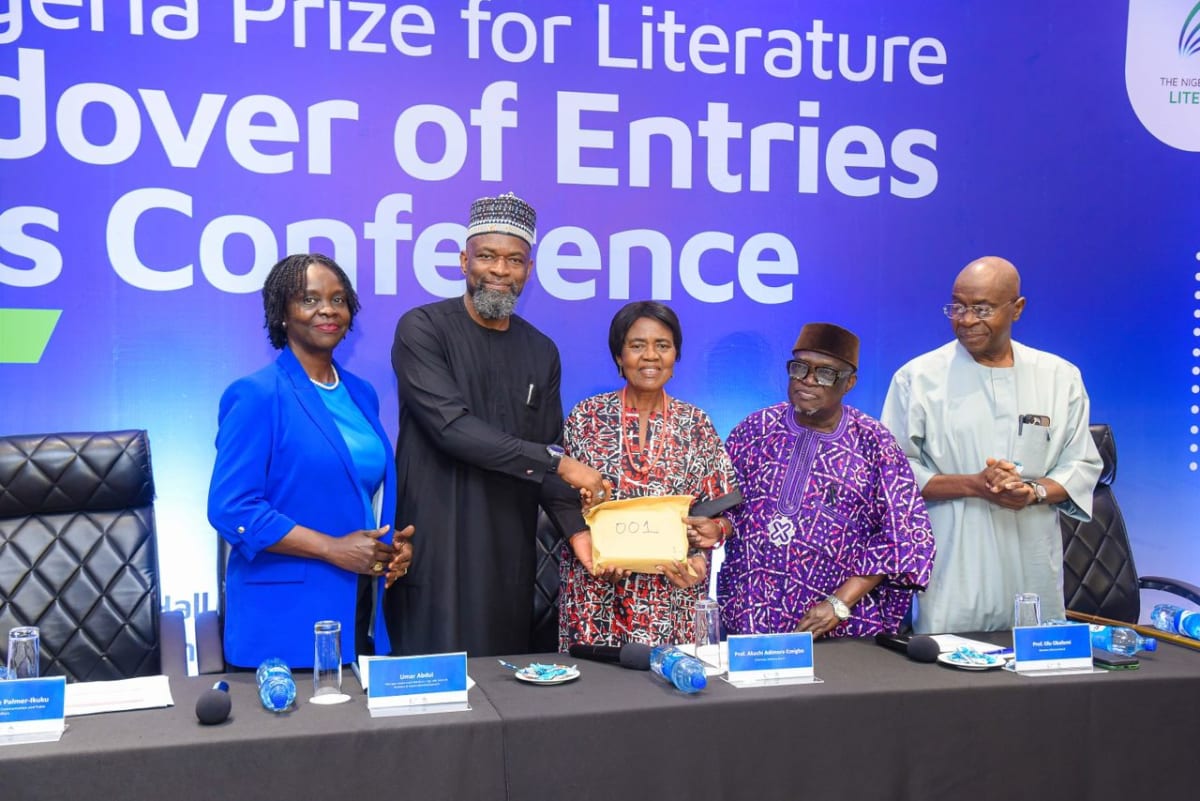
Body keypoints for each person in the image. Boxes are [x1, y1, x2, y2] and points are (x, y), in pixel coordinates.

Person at [386, 193, 606, 657]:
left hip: (507, 552)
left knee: (504, 688)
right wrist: (558, 462)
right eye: (487, 256)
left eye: (514, 260)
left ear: (529, 268)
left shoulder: (541, 351)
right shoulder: (421, 329)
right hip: (435, 544)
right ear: (465, 260)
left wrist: (581, 532)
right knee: (432, 689)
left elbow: (548, 452)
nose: (500, 271)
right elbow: (452, 429)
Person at [208, 254, 413, 669]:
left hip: (359, 608)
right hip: (285, 617)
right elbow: (232, 509)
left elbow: (359, 491)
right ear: (282, 314)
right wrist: (332, 548)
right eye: (309, 299)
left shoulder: (361, 393)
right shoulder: (257, 395)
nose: (327, 310)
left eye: (338, 299)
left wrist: (390, 550)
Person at [881, 256, 1102, 633]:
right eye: (957, 307)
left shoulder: (1059, 377)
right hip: (955, 559)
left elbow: (1081, 465)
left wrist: (1031, 491)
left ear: (1017, 309)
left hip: (1031, 556)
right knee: (953, 676)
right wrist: (974, 485)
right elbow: (893, 473)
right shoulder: (918, 378)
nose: (966, 320)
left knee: (1038, 673)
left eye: (981, 309)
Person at [716, 323, 936, 639]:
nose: (807, 380)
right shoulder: (754, 430)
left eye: (825, 373)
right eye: (800, 368)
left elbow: (905, 537)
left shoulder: (875, 444)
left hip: (838, 624)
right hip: (751, 616)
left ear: (849, 383)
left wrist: (839, 604)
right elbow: (722, 509)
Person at [558, 301, 739, 651]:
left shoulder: (696, 424)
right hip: (597, 593)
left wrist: (710, 546)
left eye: (663, 346)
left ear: (676, 355)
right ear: (618, 356)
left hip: (674, 594)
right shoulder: (586, 417)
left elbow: (724, 513)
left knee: (668, 697)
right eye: (637, 345)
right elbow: (560, 502)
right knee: (593, 697)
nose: (651, 356)